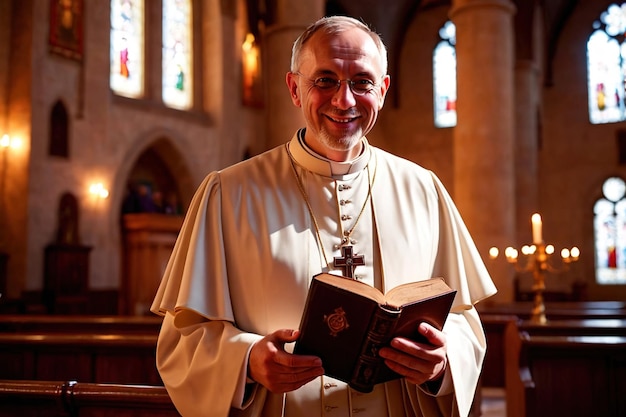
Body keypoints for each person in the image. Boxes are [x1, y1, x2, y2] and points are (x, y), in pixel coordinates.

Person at [151, 15, 497, 417]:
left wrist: (441, 360)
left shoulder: (423, 190)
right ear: (294, 88)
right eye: (325, 80)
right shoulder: (228, 193)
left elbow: (463, 322)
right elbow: (182, 340)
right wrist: (246, 360)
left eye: (362, 82)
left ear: (382, 91)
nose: (344, 100)